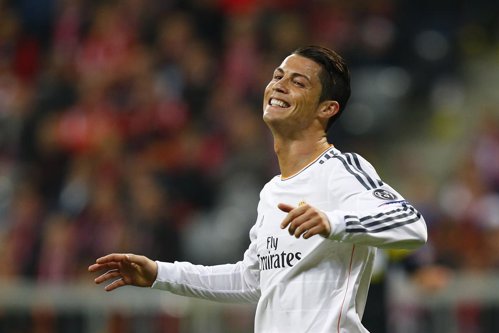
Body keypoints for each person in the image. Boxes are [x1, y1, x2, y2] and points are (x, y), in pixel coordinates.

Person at [88, 45, 427, 332]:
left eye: (298, 82)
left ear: (327, 108)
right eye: (278, 76)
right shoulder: (272, 193)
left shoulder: (340, 170)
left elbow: (411, 223)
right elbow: (251, 280)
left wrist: (333, 222)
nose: (279, 85)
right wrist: (161, 273)